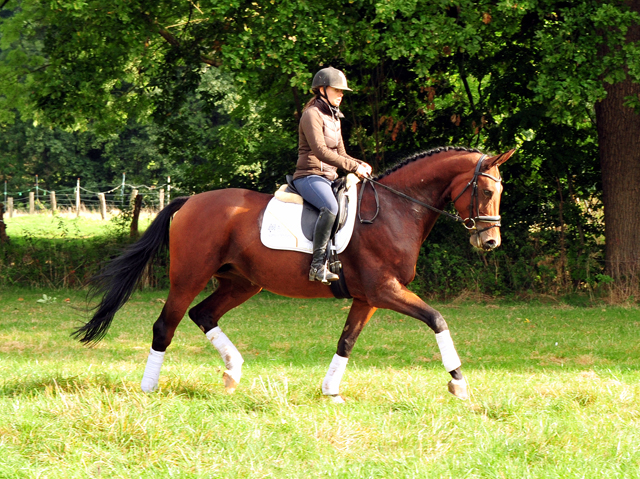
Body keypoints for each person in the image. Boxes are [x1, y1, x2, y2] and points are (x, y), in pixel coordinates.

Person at [293, 67, 373, 284]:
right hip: (309, 176)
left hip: (328, 177)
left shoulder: (334, 118)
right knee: (330, 207)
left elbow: (341, 154)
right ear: (321, 89)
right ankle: (317, 266)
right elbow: (320, 151)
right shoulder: (311, 115)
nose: (341, 94)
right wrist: (352, 167)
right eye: (337, 89)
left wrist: (358, 163)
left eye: (342, 91)